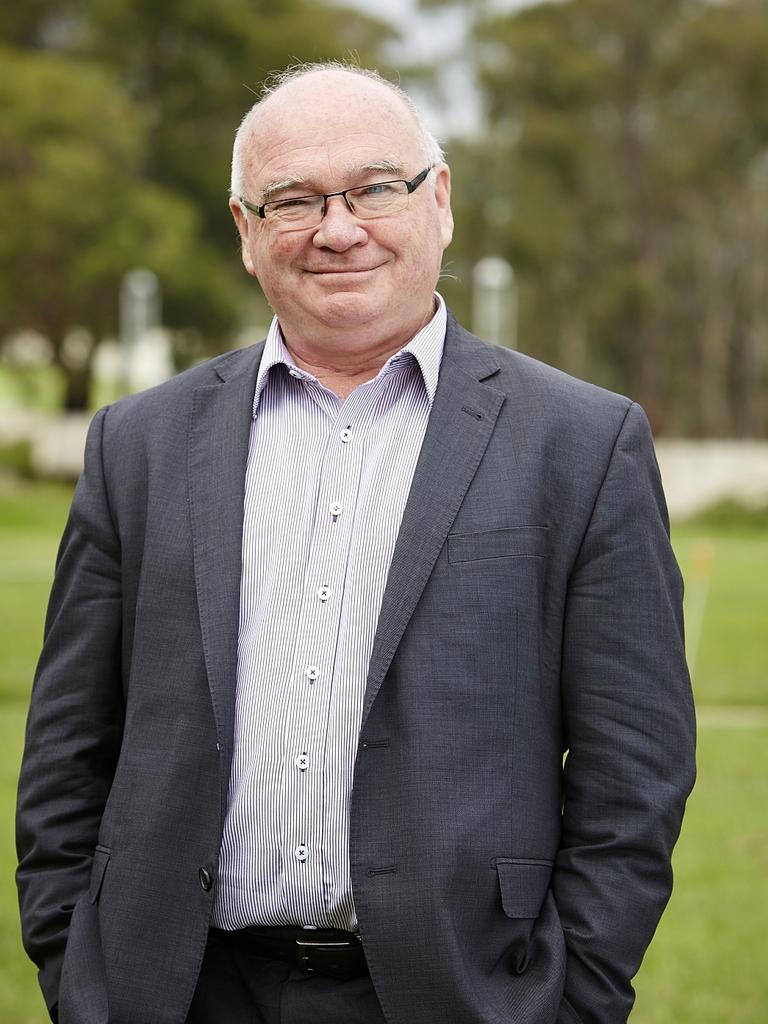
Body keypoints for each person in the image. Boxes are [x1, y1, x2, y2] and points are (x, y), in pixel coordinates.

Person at [16, 62, 696, 1024]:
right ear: (248, 233)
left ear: (441, 201)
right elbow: (67, 748)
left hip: (458, 994)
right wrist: (73, 969)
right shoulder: (137, 444)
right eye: (293, 200)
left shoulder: (581, 444)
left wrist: (571, 997)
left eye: (375, 188)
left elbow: (638, 769)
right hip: (171, 989)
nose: (338, 229)